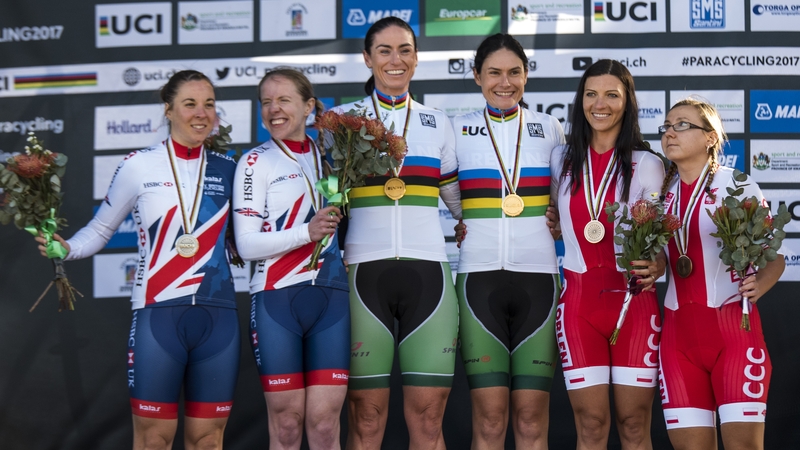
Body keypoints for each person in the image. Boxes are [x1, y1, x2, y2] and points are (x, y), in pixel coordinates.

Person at [36, 70, 239, 450]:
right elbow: (99, 230)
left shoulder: (230, 169)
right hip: (158, 314)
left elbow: (249, 238)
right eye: (190, 104)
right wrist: (66, 248)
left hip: (218, 316)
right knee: (153, 440)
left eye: (209, 104)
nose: (202, 113)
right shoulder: (139, 165)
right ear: (168, 110)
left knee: (209, 441)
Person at [334, 16, 461, 450]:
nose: (395, 59)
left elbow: (458, 201)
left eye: (405, 50)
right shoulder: (342, 121)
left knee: (428, 420)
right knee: (366, 420)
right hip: (361, 277)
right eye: (384, 50)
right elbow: (326, 196)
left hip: (428, 274)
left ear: (417, 59)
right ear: (367, 58)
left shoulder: (437, 122)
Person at [450, 33, 565, 450]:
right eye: (494, 72)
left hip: (539, 279)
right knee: (490, 419)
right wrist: (466, 220)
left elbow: (565, 198)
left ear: (526, 75)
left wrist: (558, 222)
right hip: (479, 280)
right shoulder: (455, 128)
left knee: (532, 421)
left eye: (514, 72)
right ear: (477, 76)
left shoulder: (550, 128)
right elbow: (444, 192)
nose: (505, 82)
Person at [550, 59, 665, 450]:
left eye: (612, 95)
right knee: (592, 424)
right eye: (591, 94)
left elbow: (659, 239)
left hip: (635, 304)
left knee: (634, 425)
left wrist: (660, 263)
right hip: (579, 305)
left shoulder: (648, 164)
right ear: (580, 100)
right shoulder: (560, 160)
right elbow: (557, 217)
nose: (600, 104)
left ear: (627, 102)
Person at [657, 98, 784, 450]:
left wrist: (760, 282)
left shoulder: (737, 185)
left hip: (733, 334)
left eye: (681, 125)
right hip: (678, 340)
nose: (670, 132)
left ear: (710, 137)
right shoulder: (659, 194)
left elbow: (775, 258)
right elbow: (663, 259)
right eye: (666, 126)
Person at [232, 68, 350, 450]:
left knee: (324, 424)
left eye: (283, 100)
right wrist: (306, 233)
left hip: (330, 298)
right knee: (286, 424)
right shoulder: (255, 162)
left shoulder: (334, 157)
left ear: (309, 107)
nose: (273, 109)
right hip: (276, 298)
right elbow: (247, 245)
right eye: (266, 102)